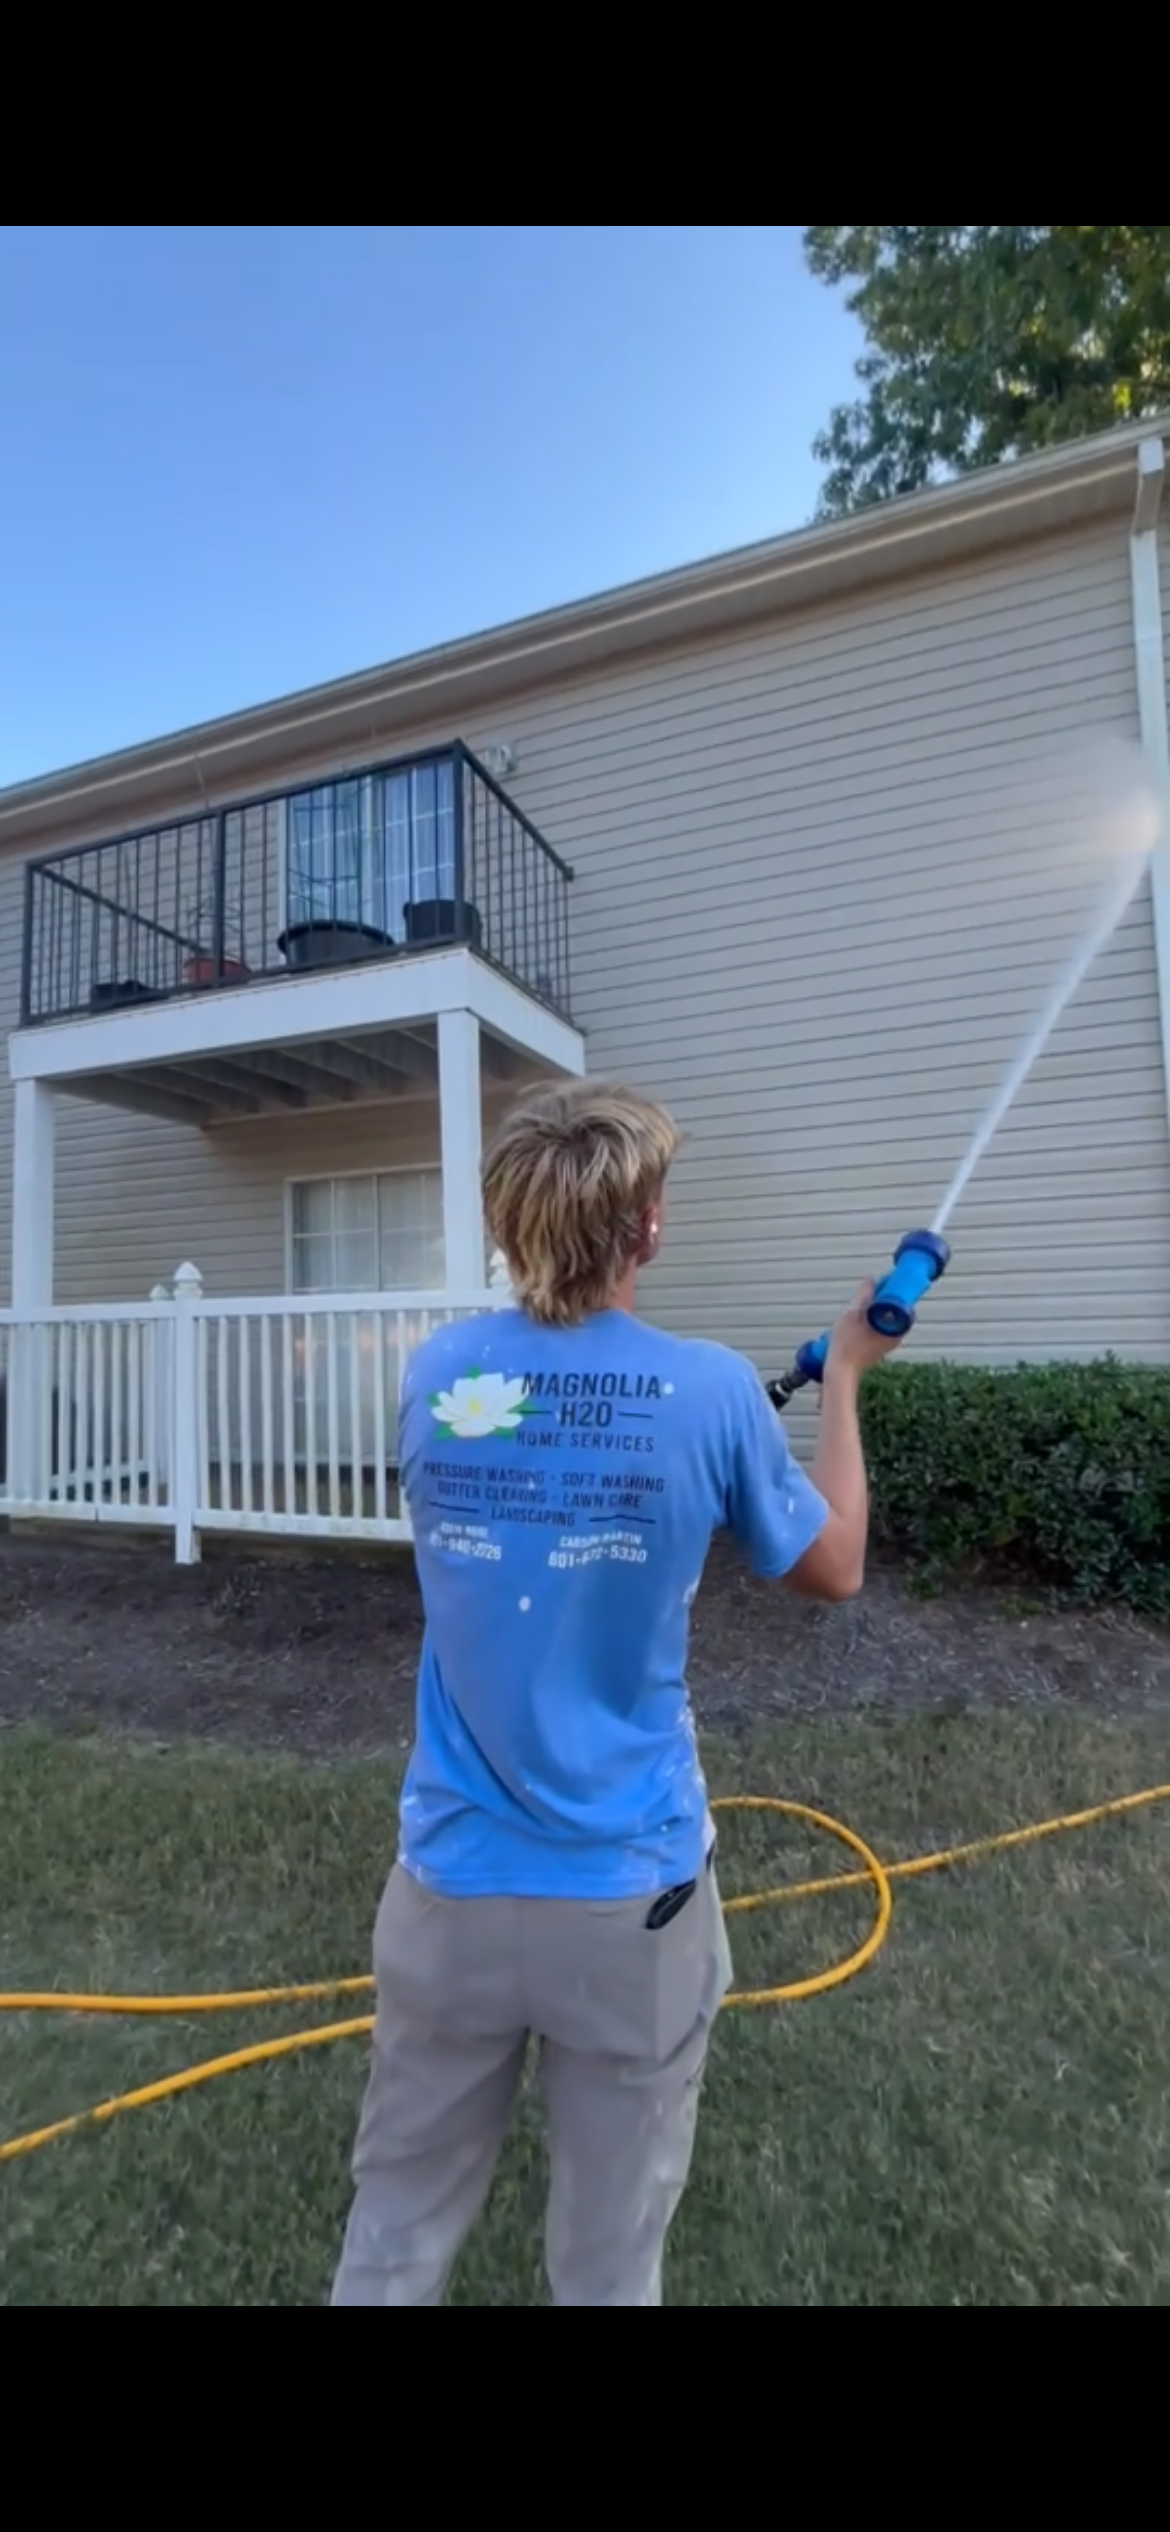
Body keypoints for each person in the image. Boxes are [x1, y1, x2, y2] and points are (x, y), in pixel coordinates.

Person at [331, 1079, 899, 2308]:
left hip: (448, 1891)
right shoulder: (707, 1396)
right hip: (629, 1903)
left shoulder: (439, 1376)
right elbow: (836, 1565)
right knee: (607, 2260)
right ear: (644, 1229)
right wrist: (844, 1377)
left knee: (393, 2233)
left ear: (510, 1223)